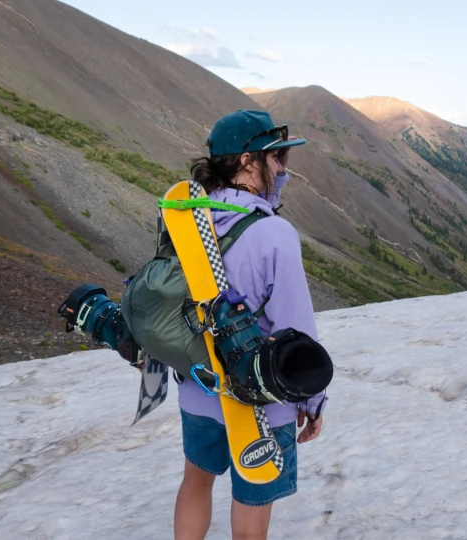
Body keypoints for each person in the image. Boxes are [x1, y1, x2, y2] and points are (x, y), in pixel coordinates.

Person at [173, 110, 326, 540]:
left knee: (196, 483)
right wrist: (313, 402)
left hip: (198, 389)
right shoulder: (274, 234)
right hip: (260, 403)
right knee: (252, 504)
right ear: (246, 161)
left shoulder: (186, 220)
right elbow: (297, 334)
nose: (282, 169)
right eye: (276, 157)